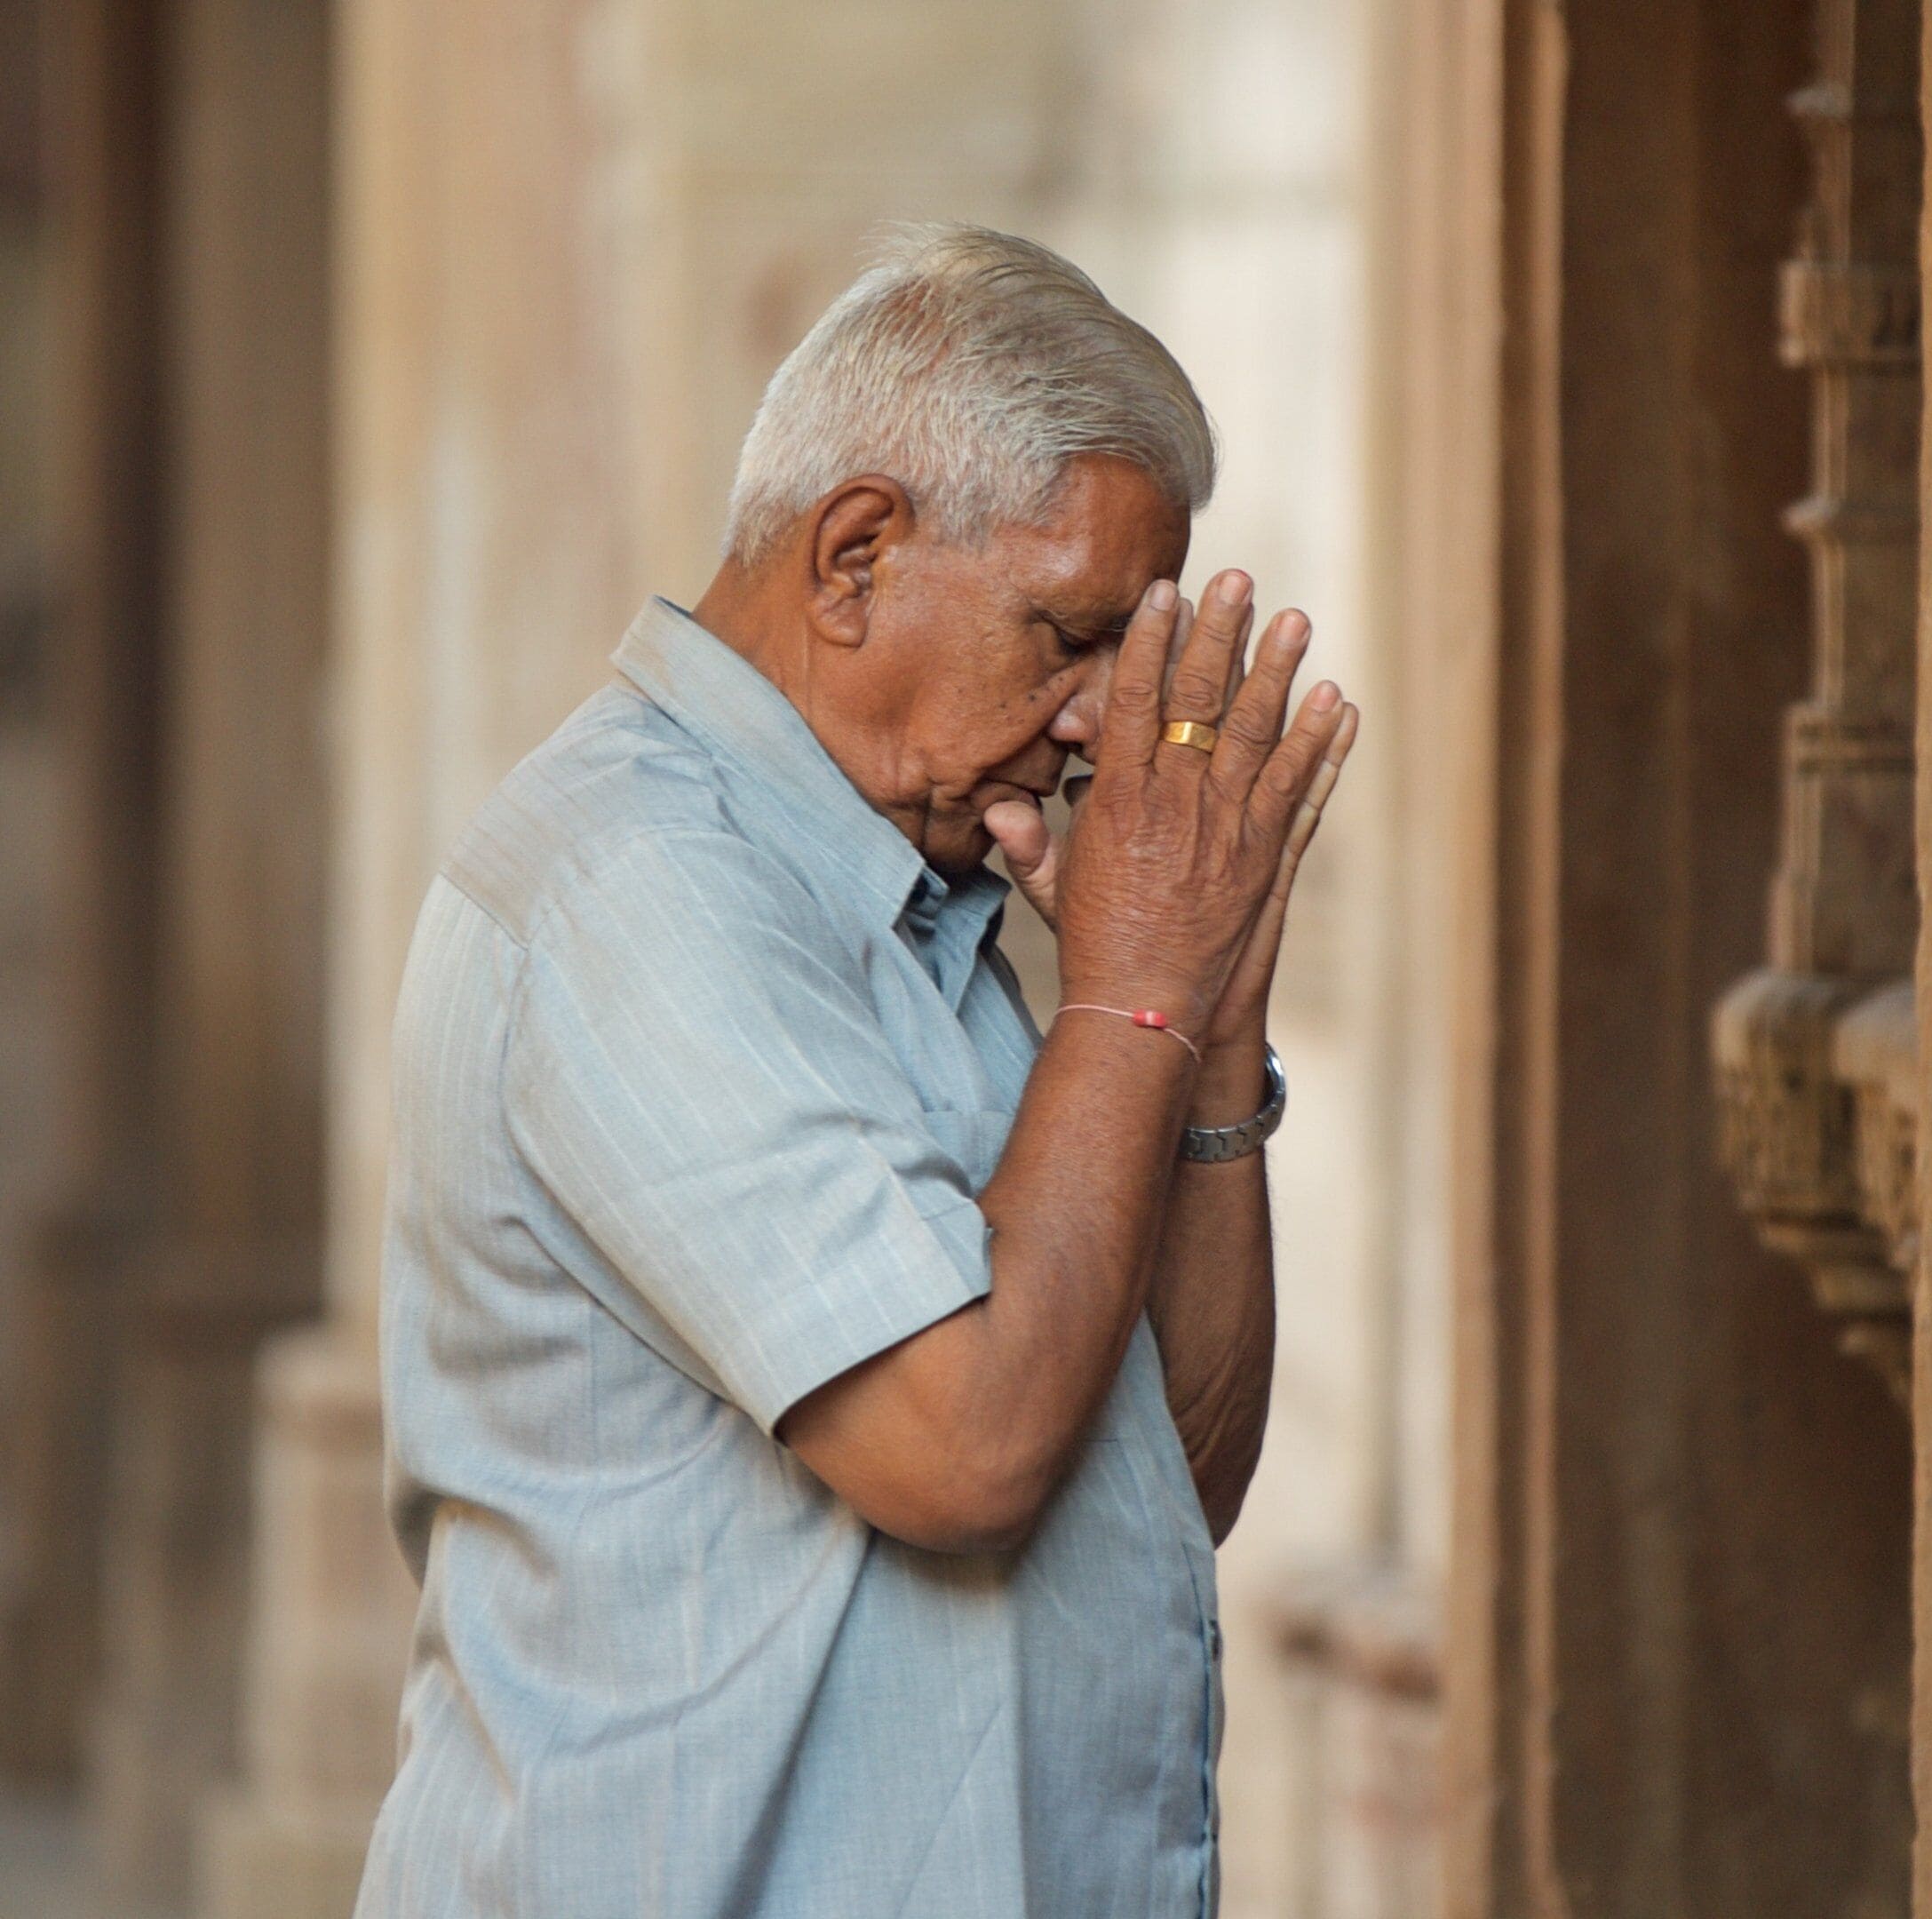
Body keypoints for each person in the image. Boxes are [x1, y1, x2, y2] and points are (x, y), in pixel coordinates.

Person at [354, 222, 1359, 1918]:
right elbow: (967, 1455)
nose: (1105, 724)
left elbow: (1163, 1482)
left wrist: (1207, 1026)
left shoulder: (925, 898)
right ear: (855, 557)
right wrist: (1126, 990)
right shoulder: (637, 885)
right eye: (1071, 635)